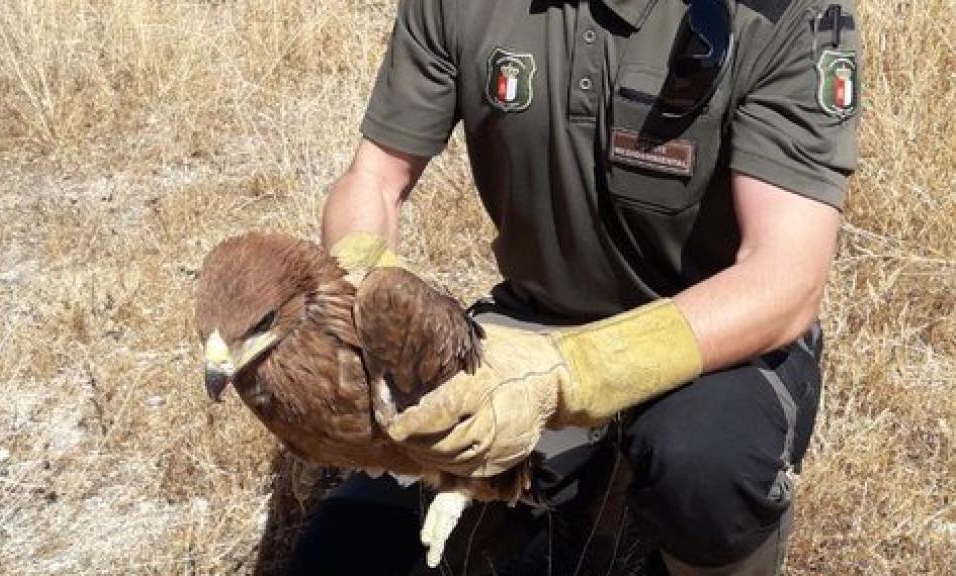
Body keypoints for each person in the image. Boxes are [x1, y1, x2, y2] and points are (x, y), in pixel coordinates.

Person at [289, 0, 860, 574]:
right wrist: (361, 291)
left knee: (705, 473)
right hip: (535, 323)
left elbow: (785, 278)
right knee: (344, 551)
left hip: (717, 346)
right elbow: (375, 177)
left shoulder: (788, 13)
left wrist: (563, 376)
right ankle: (562, 487)